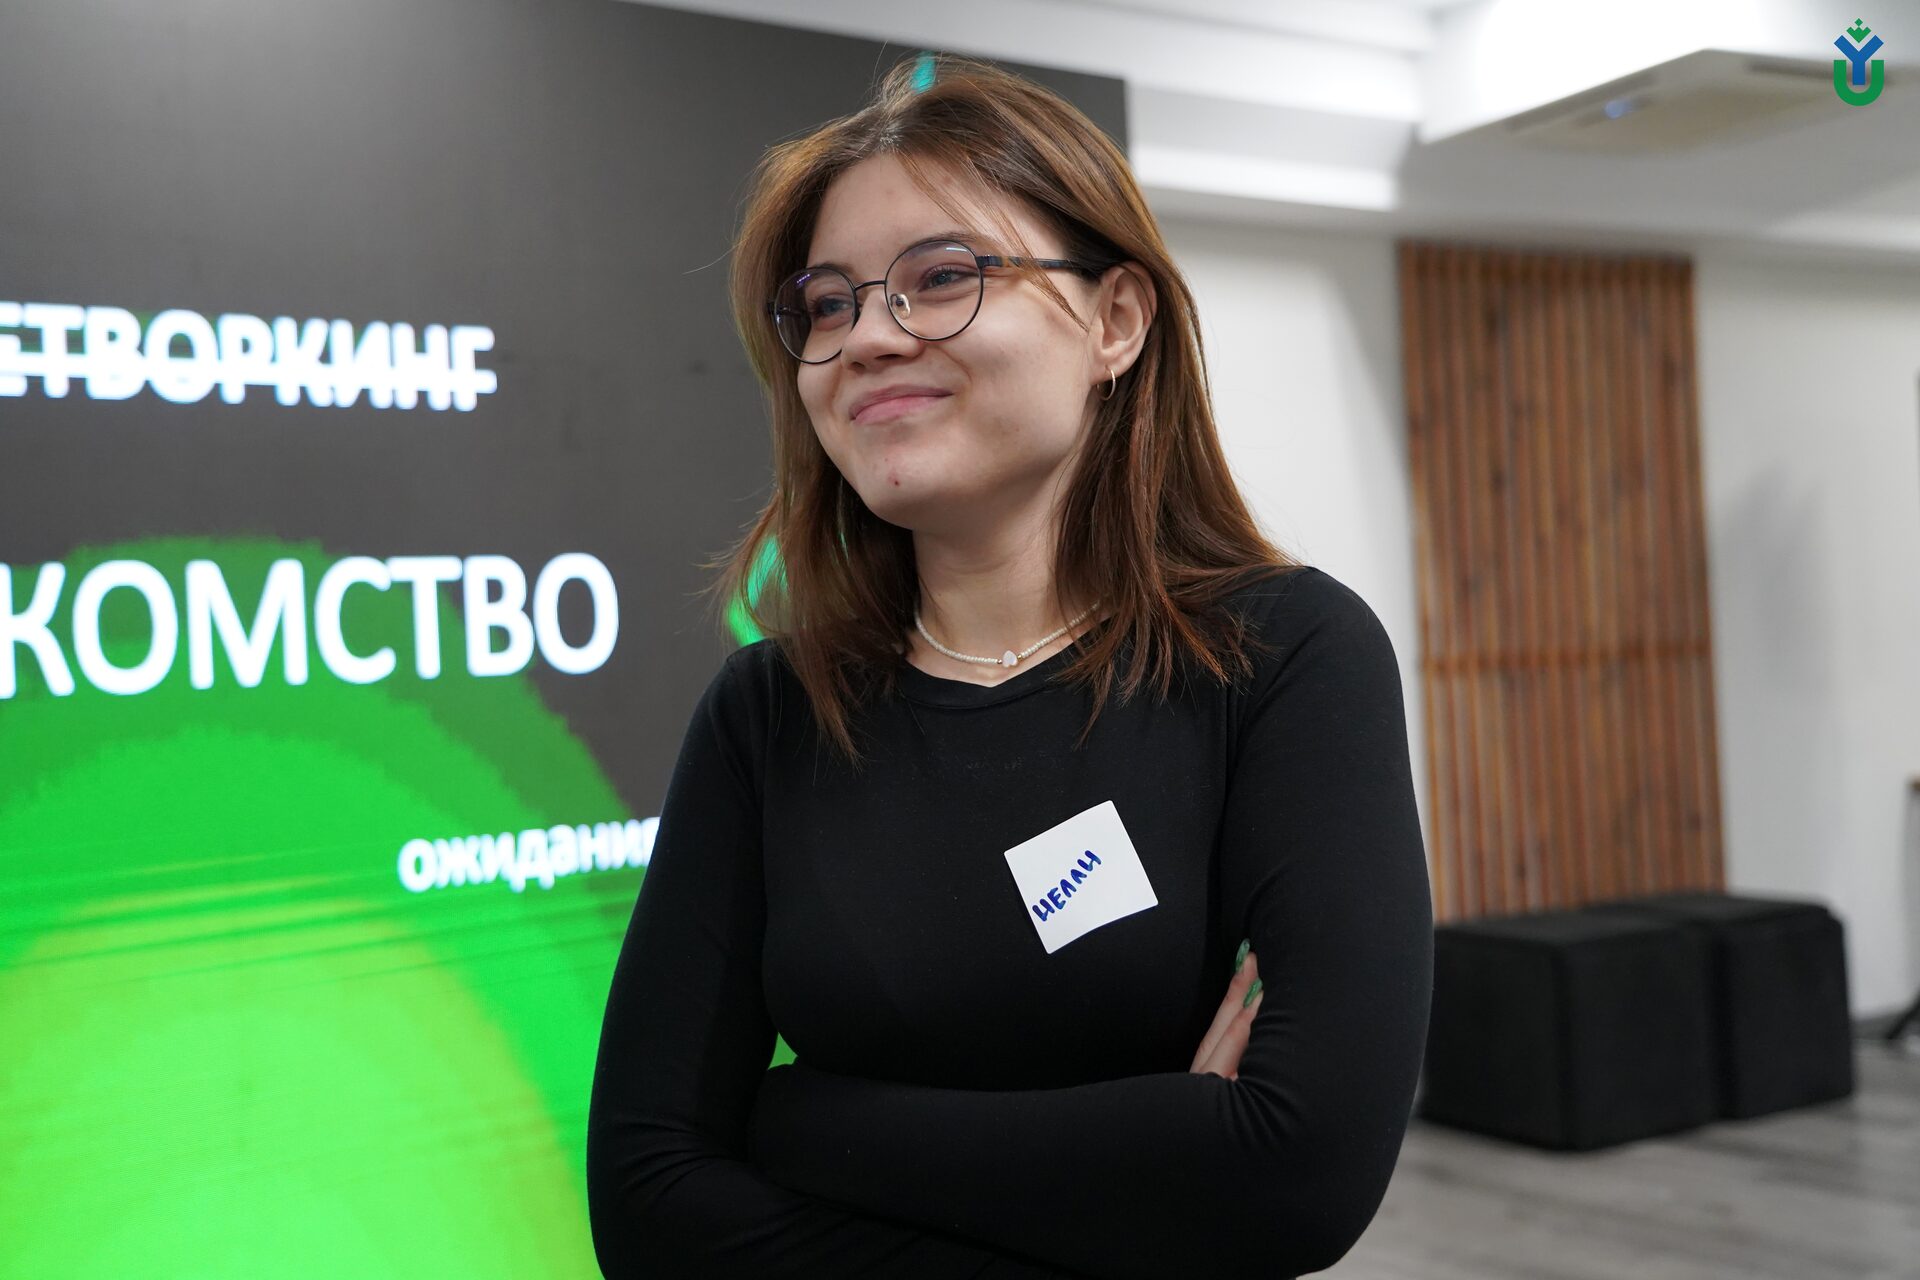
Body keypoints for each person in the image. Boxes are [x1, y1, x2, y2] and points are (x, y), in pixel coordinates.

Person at [585, 52, 1433, 1280]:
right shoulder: (770, 714)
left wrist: (798, 1119)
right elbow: (648, 1206)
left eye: (941, 278)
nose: (868, 337)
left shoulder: (1280, 656)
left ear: (1115, 320)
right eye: (826, 303)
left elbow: (1295, 1171)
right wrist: (1152, 1181)